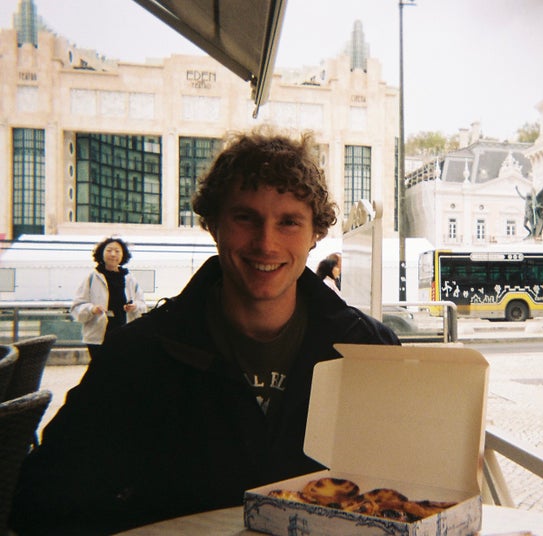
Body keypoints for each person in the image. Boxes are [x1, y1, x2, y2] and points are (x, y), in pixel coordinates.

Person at [10, 129, 400, 535]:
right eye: (245, 218)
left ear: (315, 234)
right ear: (213, 224)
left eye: (288, 222)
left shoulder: (371, 352)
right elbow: (44, 499)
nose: (266, 243)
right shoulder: (138, 356)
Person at [70, 236, 147, 353]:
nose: (113, 254)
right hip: (98, 335)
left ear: (123, 255)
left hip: (124, 331)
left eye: (117, 251)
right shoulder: (92, 277)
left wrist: (135, 306)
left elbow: (142, 305)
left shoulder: (129, 279)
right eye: (109, 250)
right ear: (101, 253)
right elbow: (77, 306)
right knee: (100, 363)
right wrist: (92, 309)